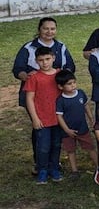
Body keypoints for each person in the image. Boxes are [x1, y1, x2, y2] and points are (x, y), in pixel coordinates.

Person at [13, 17, 75, 172]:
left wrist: (63, 78)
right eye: (45, 28)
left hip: (57, 96)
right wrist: (27, 76)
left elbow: (70, 67)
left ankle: (54, 163)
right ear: (39, 29)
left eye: (52, 28)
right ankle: (40, 163)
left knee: (56, 129)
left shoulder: (60, 47)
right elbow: (17, 69)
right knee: (40, 128)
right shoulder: (29, 47)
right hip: (36, 97)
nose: (49, 32)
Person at [25, 47, 64, 184]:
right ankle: (42, 170)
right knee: (43, 146)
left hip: (58, 118)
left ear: (53, 58)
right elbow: (29, 98)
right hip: (42, 119)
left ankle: (54, 168)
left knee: (57, 144)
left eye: (47, 59)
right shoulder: (34, 78)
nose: (45, 63)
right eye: (41, 60)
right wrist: (35, 118)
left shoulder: (60, 75)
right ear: (36, 61)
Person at [55, 69, 97, 178]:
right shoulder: (60, 100)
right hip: (67, 132)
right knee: (70, 150)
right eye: (69, 84)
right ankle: (74, 171)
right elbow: (59, 116)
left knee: (90, 147)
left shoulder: (81, 93)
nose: (73, 85)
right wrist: (67, 130)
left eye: (74, 82)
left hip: (83, 128)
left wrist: (91, 118)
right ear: (60, 87)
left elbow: (86, 106)